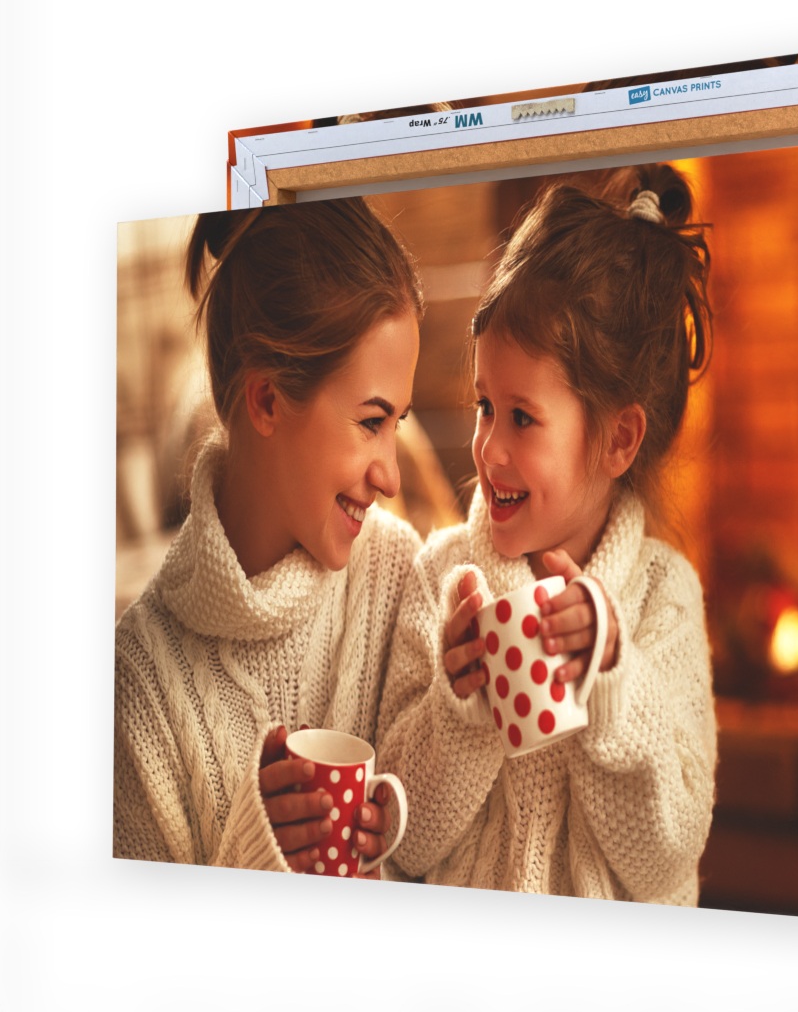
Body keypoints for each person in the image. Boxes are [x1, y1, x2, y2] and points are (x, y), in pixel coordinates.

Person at [377, 165, 718, 905]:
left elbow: (665, 857)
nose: (488, 448)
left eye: (522, 418)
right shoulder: (441, 582)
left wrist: (609, 678)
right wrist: (459, 706)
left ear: (619, 440)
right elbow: (402, 840)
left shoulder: (664, 598)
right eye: (482, 406)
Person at [114, 198, 424, 875]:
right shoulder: (140, 678)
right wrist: (253, 862)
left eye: (397, 422)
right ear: (267, 400)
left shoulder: (402, 579)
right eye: (372, 422)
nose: (392, 477)